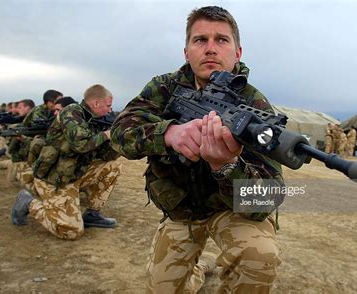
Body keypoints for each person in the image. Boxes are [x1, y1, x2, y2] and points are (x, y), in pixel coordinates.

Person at [111, 6, 283, 293]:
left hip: (229, 210)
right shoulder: (164, 87)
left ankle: (203, 264)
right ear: (187, 52)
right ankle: (200, 267)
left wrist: (227, 165)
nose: (211, 49)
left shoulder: (256, 108)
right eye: (200, 40)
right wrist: (169, 133)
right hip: (181, 209)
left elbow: (266, 200)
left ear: (238, 52)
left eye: (222, 40)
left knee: (258, 255)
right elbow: (120, 133)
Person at [11, 84, 121, 240]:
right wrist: (107, 134)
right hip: (55, 179)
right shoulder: (71, 112)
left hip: (75, 175)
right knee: (71, 231)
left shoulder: (98, 120)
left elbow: (105, 156)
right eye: (108, 105)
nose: (110, 110)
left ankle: (92, 214)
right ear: (96, 103)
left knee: (113, 166)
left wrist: (118, 139)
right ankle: (28, 202)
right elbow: (81, 145)